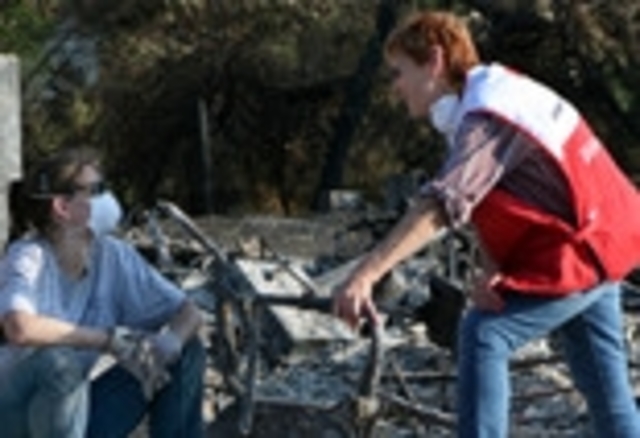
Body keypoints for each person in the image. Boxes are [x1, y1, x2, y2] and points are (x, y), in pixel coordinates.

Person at [332, 10, 640, 438]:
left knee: (483, 334)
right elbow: (508, 195)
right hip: (606, 236)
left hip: (582, 247)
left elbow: (444, 204)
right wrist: (495, 269)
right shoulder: (497, 96)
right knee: (610, 400)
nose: (395, 85)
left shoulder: (487, 114)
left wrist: (365, 275)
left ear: (434, 61)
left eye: (400, 72)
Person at [0, 148, 206, 437]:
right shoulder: (27, 255)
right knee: (58, 363)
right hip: (15, 418)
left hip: (71, 417)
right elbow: (19, 328)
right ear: (62, 207)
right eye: (96, 190)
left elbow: (189, 312)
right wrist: (109, 340)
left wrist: (168, 344)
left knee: (186, 352)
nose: (107, 198)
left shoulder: (112, 255)